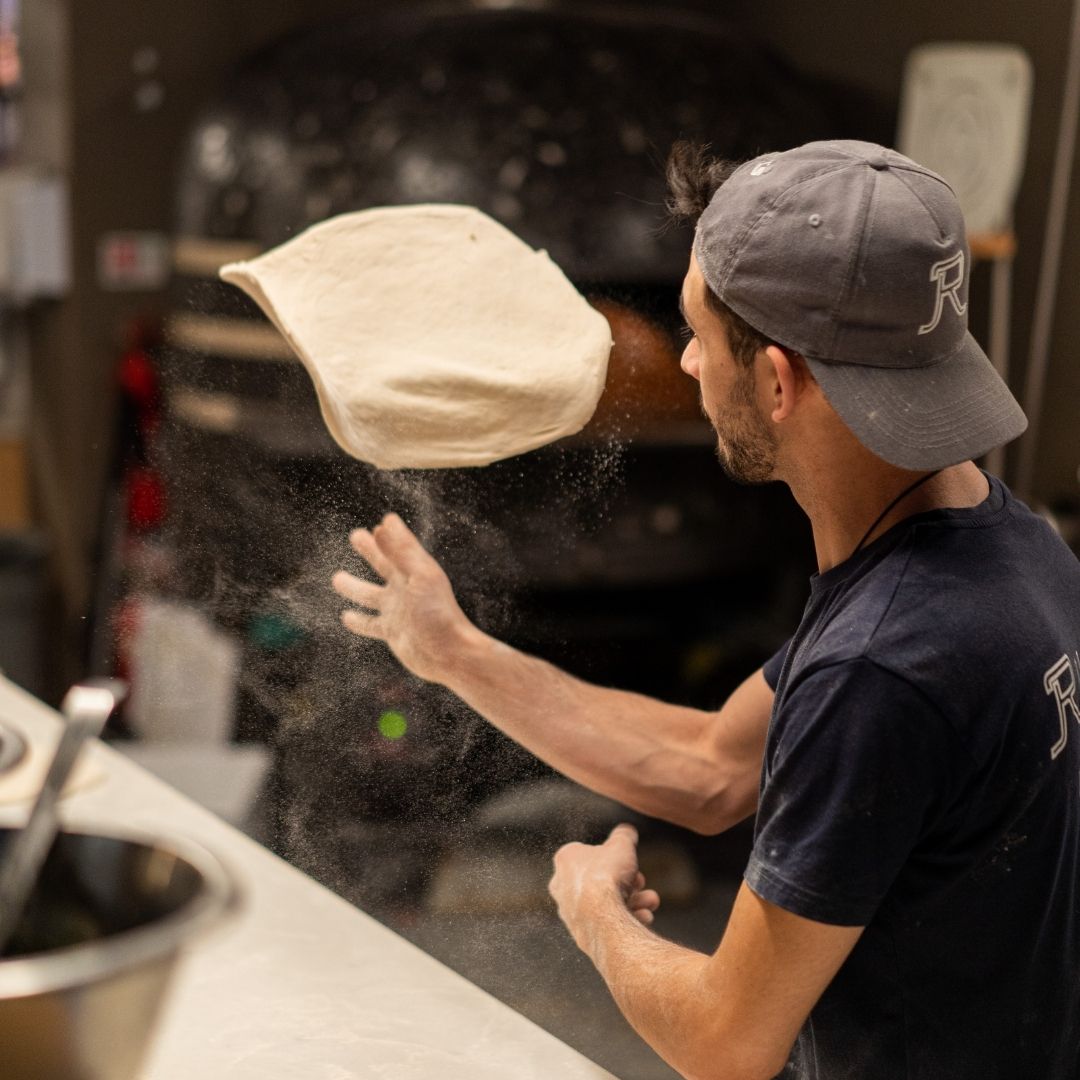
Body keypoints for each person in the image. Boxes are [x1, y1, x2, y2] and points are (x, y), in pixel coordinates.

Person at [331, 140, 1080, 1079]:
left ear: (776, 380)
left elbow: (726, 1042)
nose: (684, 363)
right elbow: (712, 767)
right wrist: (453, 651)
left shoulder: (884, 666)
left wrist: (593, 913)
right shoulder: (1011, 545)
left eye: (696, 334)